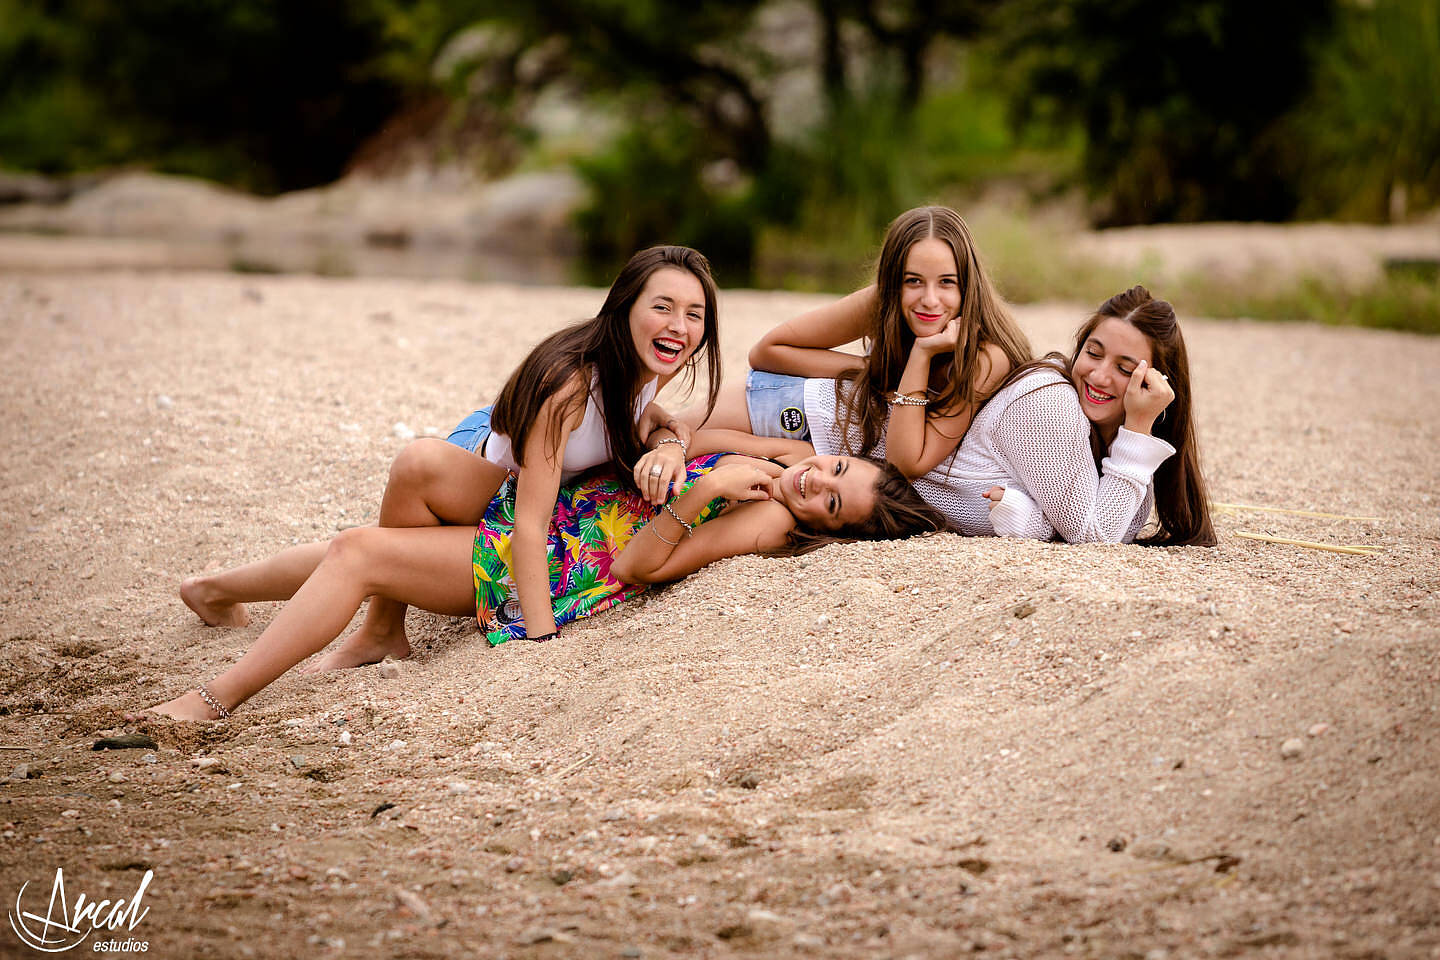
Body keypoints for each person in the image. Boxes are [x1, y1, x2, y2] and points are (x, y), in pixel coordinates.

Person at [177, 244, 720, 670]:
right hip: (483, 466)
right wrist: (542, 638)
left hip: (512, 469)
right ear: (625, 308)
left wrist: (670, 440)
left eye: (694, 314)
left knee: (378, 549)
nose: (679, 325)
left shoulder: (644, 371)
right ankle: (380, 628)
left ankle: (216, 589)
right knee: (402, 503)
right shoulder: (577, 378)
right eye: (663, 306)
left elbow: (649, 416)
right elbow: (528, 529)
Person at [147, 436, 944, 719]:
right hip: (560, 510)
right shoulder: (778, 459)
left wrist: (700, 491)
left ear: (828, 528)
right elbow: (692, 426)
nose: (818, 483)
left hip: (559, 567)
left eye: (834, 503)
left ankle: (219, 699)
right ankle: (221, 590)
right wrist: (671, 446)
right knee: (419, 467)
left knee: (359, 551)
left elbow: (639, 566)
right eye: (836, 468)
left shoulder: (770, 523)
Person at [684, 205, 1032, 483]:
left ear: (968, 285)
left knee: (673, 461)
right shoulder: (886, 302)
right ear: (894, 280)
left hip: (815, 460)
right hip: (788, 406)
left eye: (946, 283)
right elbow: (767, 351)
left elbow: (906, 463)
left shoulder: (985, 357)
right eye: (913, 281)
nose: (929, 299)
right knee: (657, 439)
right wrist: (874, 371)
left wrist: (920, 356)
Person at [949, 285, 1215, 546]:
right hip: (912, 509)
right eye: (1093, 353)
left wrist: (1035, 522)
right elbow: (1097, 537)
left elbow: (1123, 528)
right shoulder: (1047, 398)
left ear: (1154, 382)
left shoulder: (1115, 426)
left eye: (1124, 369)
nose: (1098, 376)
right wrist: (1137, 430)